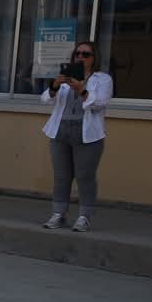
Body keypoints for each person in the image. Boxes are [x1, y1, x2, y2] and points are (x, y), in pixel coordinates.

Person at [42, 40, 112, 232]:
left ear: (94, 58)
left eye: (86, 54)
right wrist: (55, 86)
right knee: (61, 176)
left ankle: (84, 217)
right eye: (77, 54)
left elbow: (99, 104)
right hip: (60, 130)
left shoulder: (103, 79)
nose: (80, 57)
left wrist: (81, 89)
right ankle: (59, 214)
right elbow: (45, 99)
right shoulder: (66, 76)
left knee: (85, 176)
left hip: (87, 133)